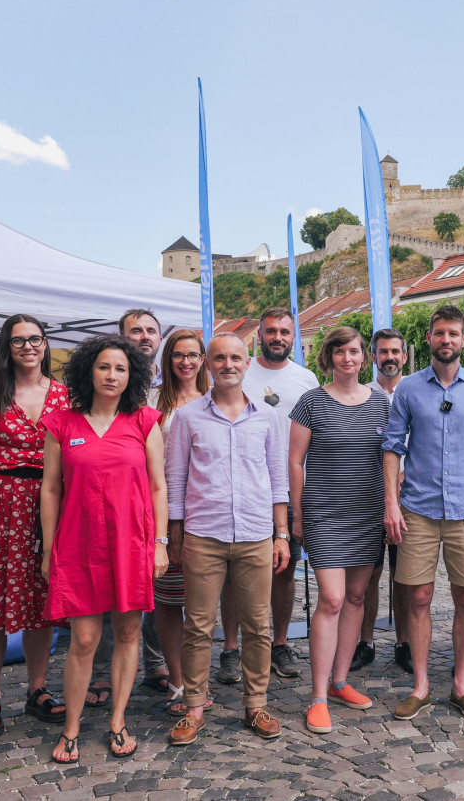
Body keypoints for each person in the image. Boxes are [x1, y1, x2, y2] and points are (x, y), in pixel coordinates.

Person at [39, 334, 168, 762]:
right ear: (88, 372)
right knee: (84, 640)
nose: (112, 375)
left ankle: (117, 720)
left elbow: (157, 486)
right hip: (77, 545)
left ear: (131, 375)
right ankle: (72, 729)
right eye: (104, 367)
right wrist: (47, 549)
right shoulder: (61, 423)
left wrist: (160, 545)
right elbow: (51, 489)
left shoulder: (145, 420)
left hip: (132, 543)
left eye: (121, 368)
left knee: (129, 632)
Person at [165, 332, 291, 745]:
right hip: (205, 534)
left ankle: (255, 704)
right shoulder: (188, 418)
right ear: (207, 363)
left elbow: (278, 481)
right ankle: (195, 708)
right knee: (198, 626)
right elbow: (177, 480)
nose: (228, 365)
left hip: (255, 534)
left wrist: (282, 534)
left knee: (258, 626)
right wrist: (175, 536)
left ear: (247, 360)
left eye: (235, 357)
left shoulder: (266, 417)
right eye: (219, 358)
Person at [383, 305, 464, 721]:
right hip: (416, 508)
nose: (446, 340)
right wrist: (390, 505)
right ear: (430, 339)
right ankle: (420, 686)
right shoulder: (409, 389)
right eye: (439, 333)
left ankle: (460, 685)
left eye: (454, 334)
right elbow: (392, 447)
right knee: (417, 596)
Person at [0, 314, 70, 739]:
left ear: (45, 344)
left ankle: (37, 690)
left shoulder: (64, 394)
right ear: (7, 345)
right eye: (18, 340)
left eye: (34, 339)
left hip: (49, 502)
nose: (27, 347)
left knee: (41, 603)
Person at [290, 327, 390, 735]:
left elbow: (391, 459)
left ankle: (339, 681)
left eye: (353, 351)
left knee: (355, 596)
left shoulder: (381, 403)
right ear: (328, 357)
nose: (347, 358)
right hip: (325, 514)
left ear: (363, 357)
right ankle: (316, 695)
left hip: (367, 513)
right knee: (330, 599)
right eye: (339, 352)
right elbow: (295, 461)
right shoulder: (311, 402)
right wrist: (297, 516)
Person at [221, 307, 318, 685]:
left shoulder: (306, 379)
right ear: (258, 335)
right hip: (241, 488)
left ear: (294, 338)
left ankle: (279, 644)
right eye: (271, 331)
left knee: (285, 568)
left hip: (290, 489)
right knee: (232, 571)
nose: (278, 337)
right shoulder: (243, 370)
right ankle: (230, 647)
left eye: (285, 332)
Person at [88, 308, 170, 706]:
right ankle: (102, 673)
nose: (143, 336)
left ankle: (156, 665)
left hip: (158, 500)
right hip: (113, 503)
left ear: (159, 338)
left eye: (151, 330)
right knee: (108, 598)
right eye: (134, 330)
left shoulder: (170, 383)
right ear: (121, 336)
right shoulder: (109, 380)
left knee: (155, 595)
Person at [153, 330, 211, 717]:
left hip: (207, 512)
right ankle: (178, 680)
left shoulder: (215, 400)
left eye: (193, 354)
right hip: (166, 511)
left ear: (203, 359)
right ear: (167, 360)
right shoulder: (151, 402)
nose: (186, 361)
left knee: (204, 604)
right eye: (178, 354)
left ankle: (200, 678)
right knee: (171, 601)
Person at [352, 328, 412, 674]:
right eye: (383, 352)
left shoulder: (416, 392)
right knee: (369, 574)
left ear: (404, 356)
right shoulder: (361, 396)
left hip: (409, 496)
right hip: (369, 498)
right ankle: (366, 640)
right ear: (372, 357)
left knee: (404, 574)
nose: (389, 357)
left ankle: (404, 642)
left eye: (395, 352)